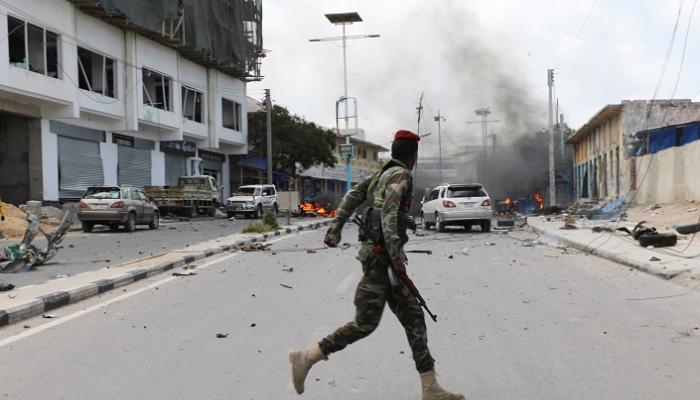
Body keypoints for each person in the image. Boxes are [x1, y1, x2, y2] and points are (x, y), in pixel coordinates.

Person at [289, 129, 464, 399]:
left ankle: (430, 387)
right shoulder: (401, 175)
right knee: (365, 323)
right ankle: (308, 357)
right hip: (382, 260)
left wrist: (336, 227)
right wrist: (396, 259)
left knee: (413, 316)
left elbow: (351, 196)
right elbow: (390, 214)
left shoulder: (380, 175)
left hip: (378, 257)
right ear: (413, 155)